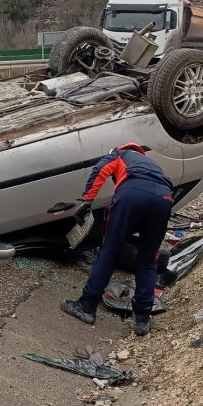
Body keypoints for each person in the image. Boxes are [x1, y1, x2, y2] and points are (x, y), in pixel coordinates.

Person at [60, 143, 174, 337]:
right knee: (148, 258)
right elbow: (166, 187)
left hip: (132, 194)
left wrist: (87, 201)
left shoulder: (119, 154)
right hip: (164, 198)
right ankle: (142, 320)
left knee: (109, 252)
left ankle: (87, 306)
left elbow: (100, 169)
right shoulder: (151, 164)